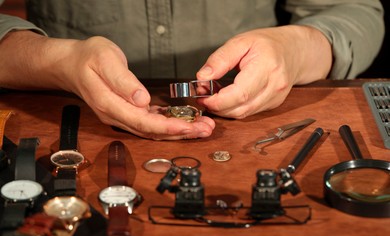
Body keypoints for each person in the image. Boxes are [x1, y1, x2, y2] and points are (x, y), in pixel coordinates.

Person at [0, 0, 385, 140]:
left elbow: (359, 13)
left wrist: (297, 49)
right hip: (72, 118)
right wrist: (56, 61)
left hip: (254, 119)